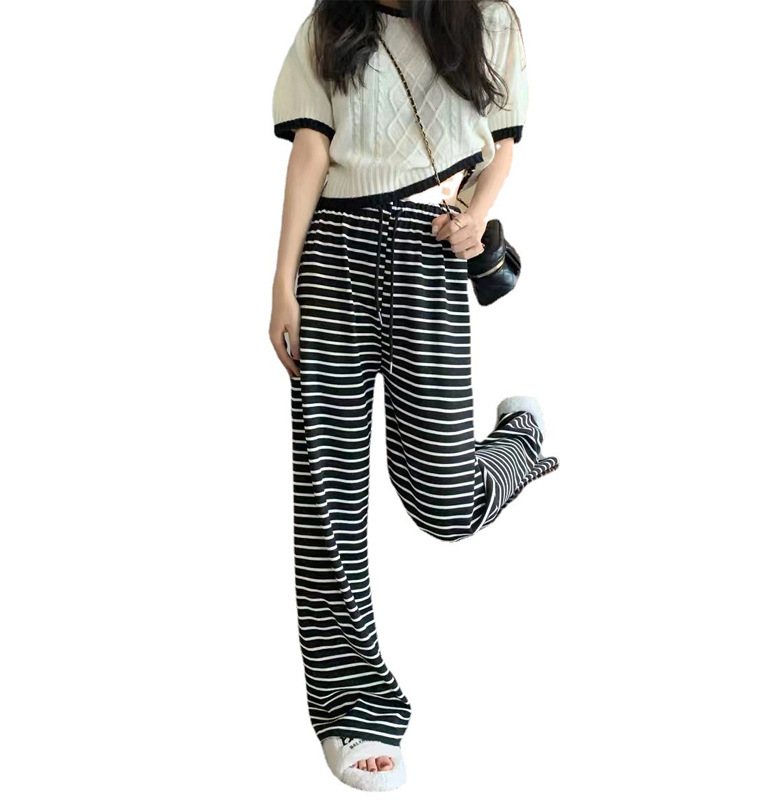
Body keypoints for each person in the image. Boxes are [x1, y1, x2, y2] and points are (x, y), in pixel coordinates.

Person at [269, 0, 558, 790]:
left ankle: (518, 441)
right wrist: (283, 281)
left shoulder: (489, 19)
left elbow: (501, 145)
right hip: (333, 251)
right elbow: (310, 149)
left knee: (443, 499)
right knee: (327, 491)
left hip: (428, 249)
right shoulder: (331, 22)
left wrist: (476, 213)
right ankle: (355, 705)